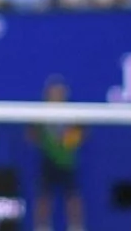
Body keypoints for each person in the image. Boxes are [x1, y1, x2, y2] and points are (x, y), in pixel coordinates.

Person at [28, 77, 85, 231]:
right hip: (47, 160)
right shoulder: (39, 113)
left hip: (67, 161)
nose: (57, 95)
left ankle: (76, 227)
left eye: (60, 92)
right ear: (47, 94)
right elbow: (31, 134)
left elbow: (81, 133)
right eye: (54, 92)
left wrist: (66, 143)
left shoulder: (74, 113)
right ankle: (42, 227)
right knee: (44, 197)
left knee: (72, 196)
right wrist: (46, 142)